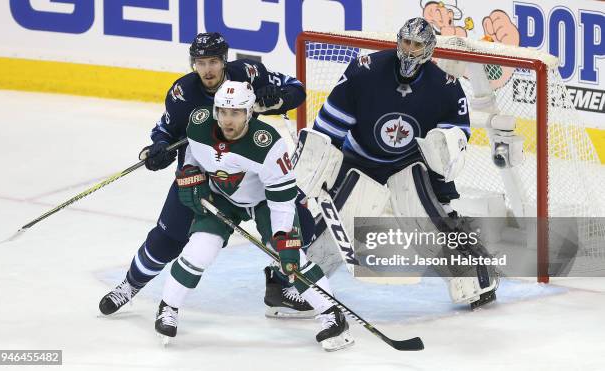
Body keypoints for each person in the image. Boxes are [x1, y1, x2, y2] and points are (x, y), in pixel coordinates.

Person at [98, 32, 315, 319]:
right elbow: (163, 131)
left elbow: (295, 88)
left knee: (302, 225)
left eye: (213, 61)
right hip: (203, 177)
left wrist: (277, 98)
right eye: (201, 63)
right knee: (168, 239)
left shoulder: (248, 72)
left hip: (252, 174)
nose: (208, 70)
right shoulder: (182, 93)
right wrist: (158, 149)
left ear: (224, 60)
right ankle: (130, 285)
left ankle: (278, 283)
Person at [304, 17, 498, 309]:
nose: (410, 50)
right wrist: (313, 172)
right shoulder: (365, 71)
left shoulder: (446, 87)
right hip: (359, 160)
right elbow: (327, 130)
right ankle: (301, 283)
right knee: (340, 220)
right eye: (406, 42)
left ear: (429, 48)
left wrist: (443, 189)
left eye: (417, 44)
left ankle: (472, 271)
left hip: (408, 165)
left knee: (424, 217)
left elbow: (449, 151)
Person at [154, 81, 354, 351]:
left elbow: (282, 199)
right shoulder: (199, 123)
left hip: (264, 203)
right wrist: (190, 171)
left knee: (290, 259)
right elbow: (194, 151)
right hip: (222, 199)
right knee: (200, 249)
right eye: (223, 111)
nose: (227, 119)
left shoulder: (268, 144)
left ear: (249, 113)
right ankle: (169, 308)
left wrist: (284, 236)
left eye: (235, 113)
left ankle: (331, 314)